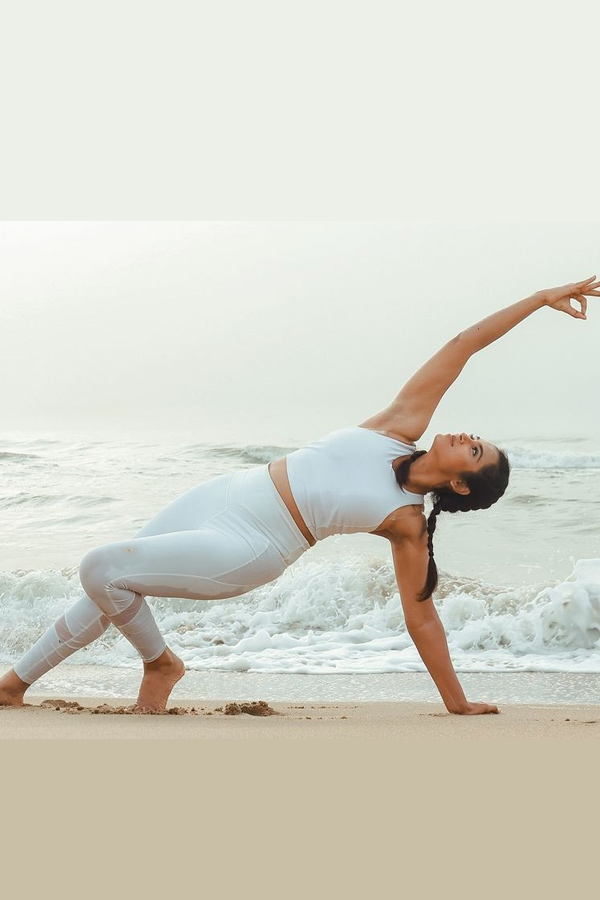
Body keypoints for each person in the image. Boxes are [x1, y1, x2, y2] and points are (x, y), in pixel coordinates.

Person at [1, 276, 598, 715]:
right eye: (475, 438)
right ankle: (15, 685)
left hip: (250, 544)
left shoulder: (407, 523)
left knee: (100, 567)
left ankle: (161, 665)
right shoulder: (396, 425)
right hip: (227, 492)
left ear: (461, 483)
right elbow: (463, 345)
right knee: (108, 584)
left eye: (474, 451)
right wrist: (540, 299)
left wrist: (458, 703)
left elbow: (422, 619)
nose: (468, 437)